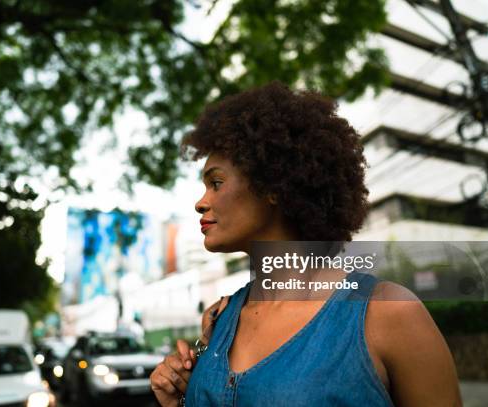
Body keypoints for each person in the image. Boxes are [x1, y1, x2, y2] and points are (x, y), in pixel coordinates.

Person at [150, 82, 461, 406]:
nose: (201, 202)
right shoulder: (218, 321)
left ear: (272, 185)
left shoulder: (387, 313)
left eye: (216, 183)